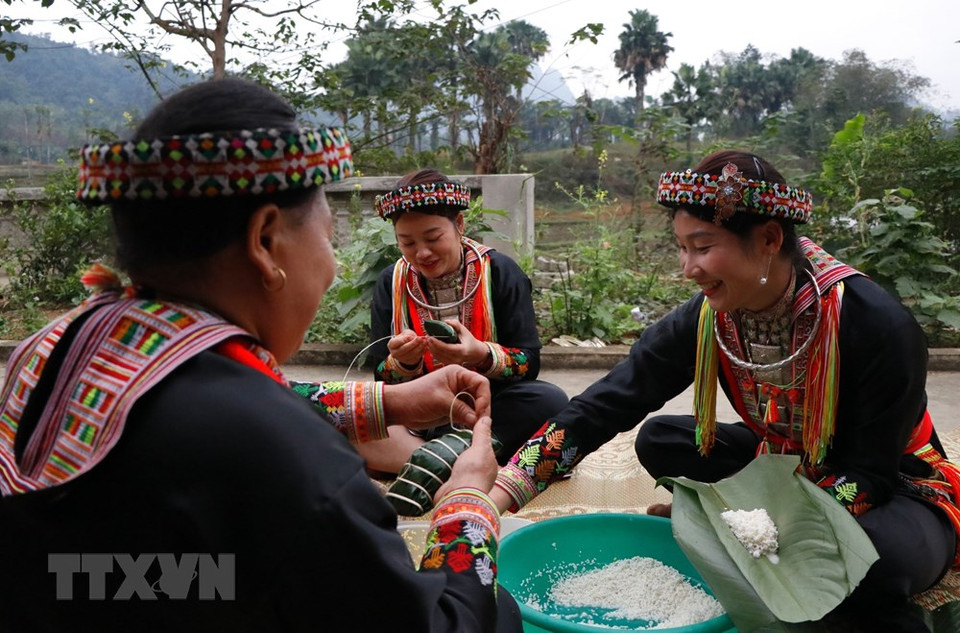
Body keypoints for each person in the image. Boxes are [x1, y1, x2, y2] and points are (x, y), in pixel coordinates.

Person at [0, 78, 523, 633]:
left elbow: (222, 408)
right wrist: (467, 499)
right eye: (326, 237)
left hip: (102, 586)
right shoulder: (293, 458)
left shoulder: (53, 346)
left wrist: (387, 402)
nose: (333, 268)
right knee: (496, 610)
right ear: (265, 241)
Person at [489, 150, 960, 632]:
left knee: (868, 564)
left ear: (770, 240)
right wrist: (499, 495)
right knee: (661, 440)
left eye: (702, 246)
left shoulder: (874, 323)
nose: (688, 267)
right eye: (681, 247)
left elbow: (869, 475)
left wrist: (747, 529)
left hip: (894, 489)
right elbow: (607, 403)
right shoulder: (708, 316)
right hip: (782, 466)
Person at [364, 168, 569, 473]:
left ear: (459, 224)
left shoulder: (500, 271)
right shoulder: (391, 282)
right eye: (407, 243)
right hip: (422, 412)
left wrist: (482, 355)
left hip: (489, 405)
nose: (421, 253)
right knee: (353, 416)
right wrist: (403, 363)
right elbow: (381, 377)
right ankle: (465, 455)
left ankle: (436, 457)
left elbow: (529, 363)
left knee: (549, 400)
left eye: (433, 238)